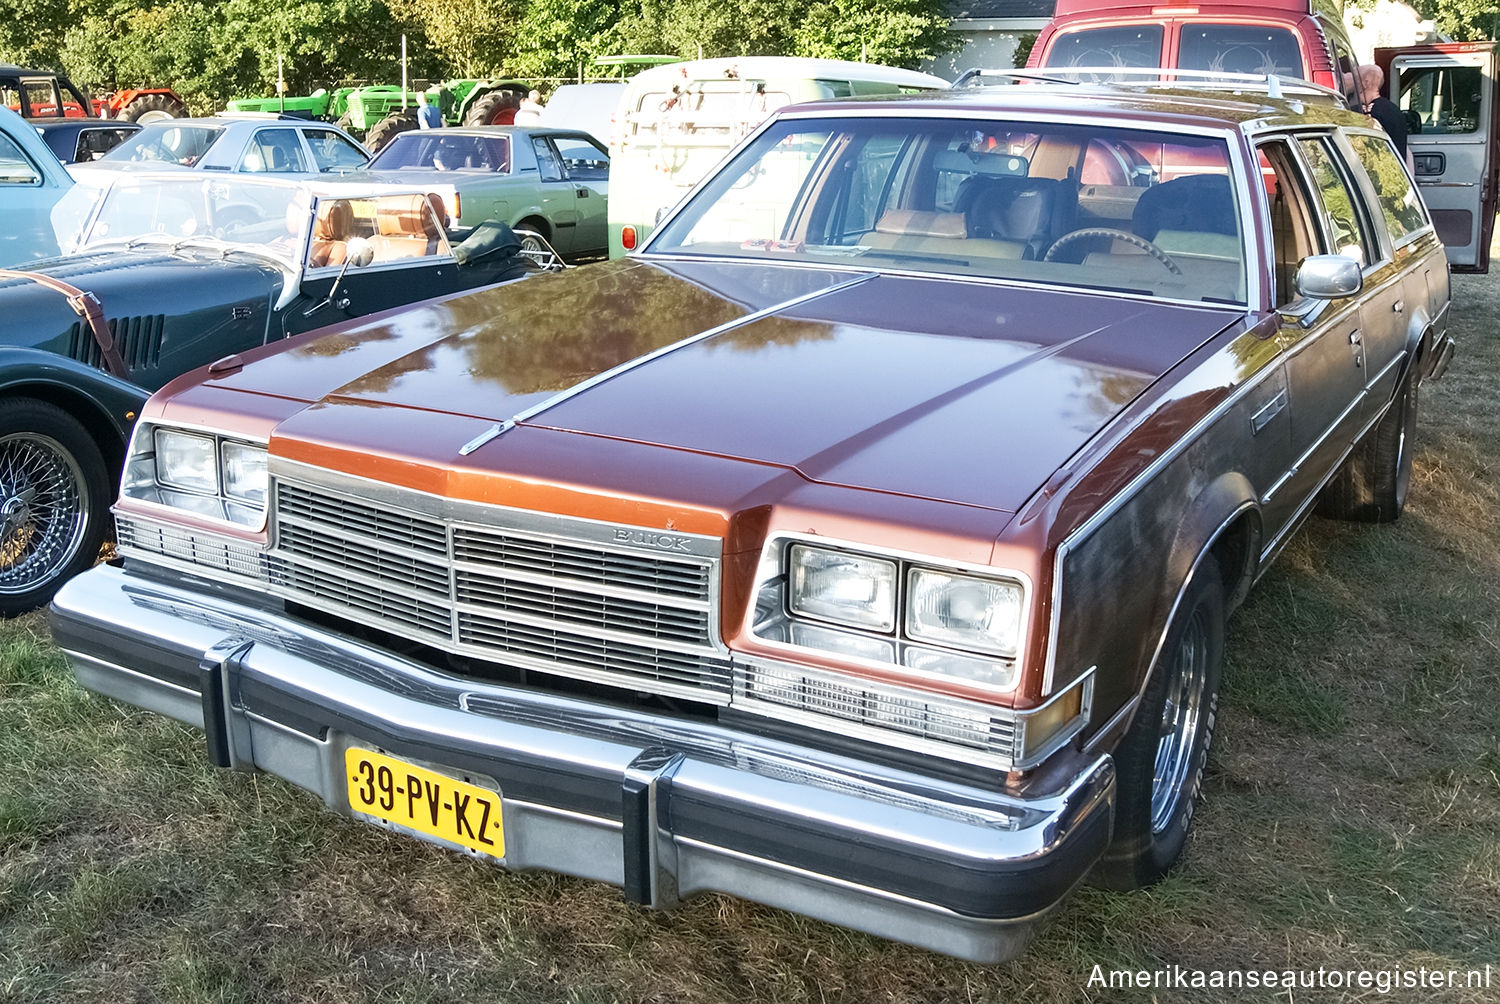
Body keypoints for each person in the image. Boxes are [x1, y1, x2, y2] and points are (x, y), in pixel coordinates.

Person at [1357, 64, 1413, 170]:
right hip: (1396, 174)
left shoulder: (1373, 115)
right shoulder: (1394, 110)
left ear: (1366, 83)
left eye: (1356, 80)